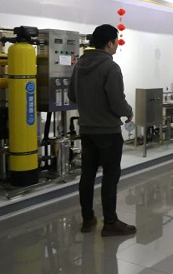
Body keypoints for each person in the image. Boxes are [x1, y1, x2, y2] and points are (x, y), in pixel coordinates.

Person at [68, 24, 136, 237]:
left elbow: (71, 96)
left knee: (87, 175)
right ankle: (110, 222)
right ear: (109, 43)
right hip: (108, 131)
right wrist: (128, 112)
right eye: (116, 41)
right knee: (110, 176)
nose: (117, 45)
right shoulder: (110, 67)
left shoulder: (80, 65)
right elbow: (117, 101)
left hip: (87, 131)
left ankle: (88, 219)